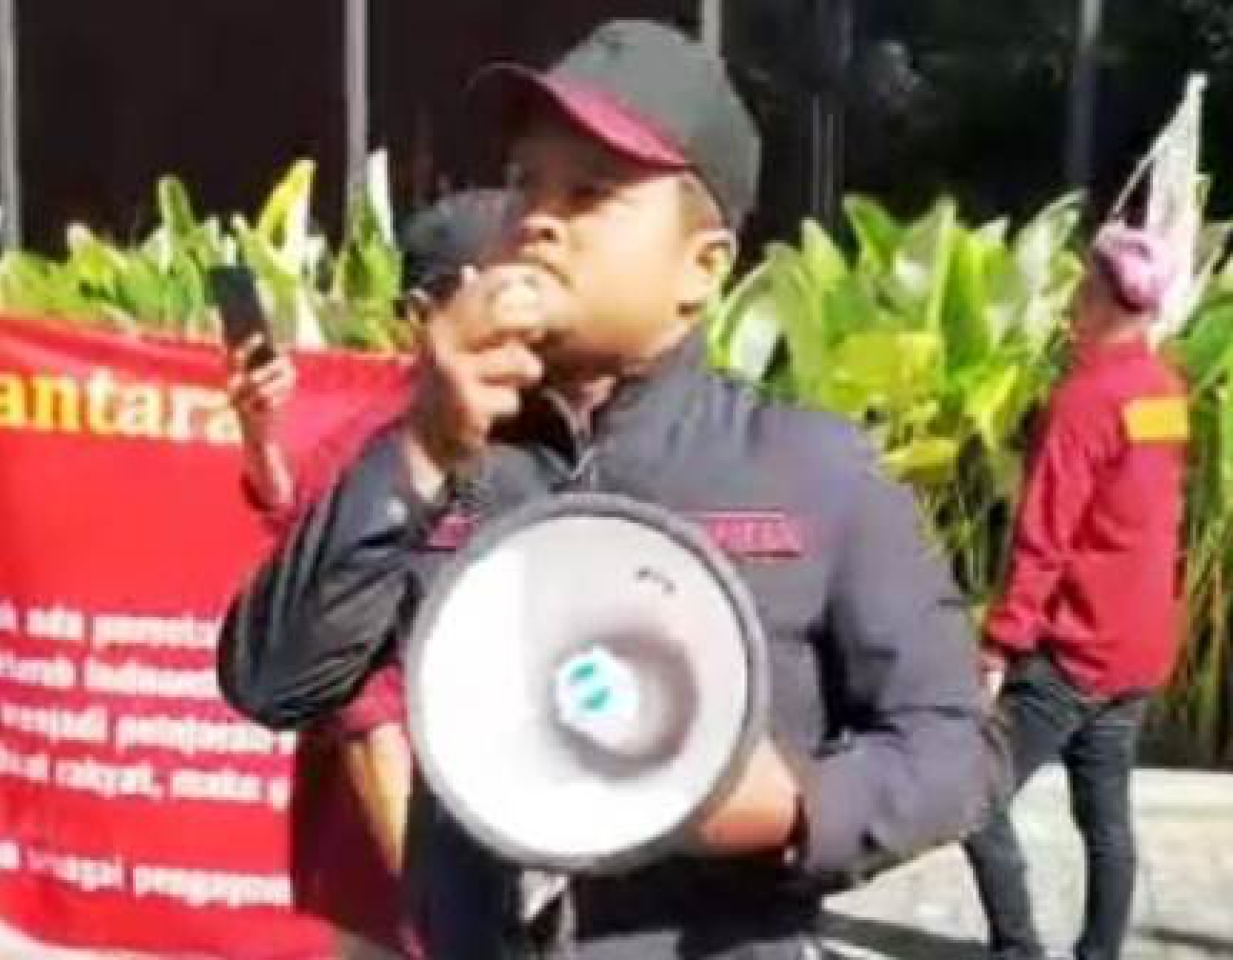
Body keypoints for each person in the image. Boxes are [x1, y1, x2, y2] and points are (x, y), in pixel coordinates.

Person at [218, 20, 989, 959]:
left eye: (589, 193)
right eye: (525, 184)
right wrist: (421, 444)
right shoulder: (439, 451)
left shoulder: (813, 471)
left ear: (702, 268)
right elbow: (273, 680)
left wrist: (795, 805)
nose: (538, 220)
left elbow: (954, 746)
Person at [222, 188, 516, 959]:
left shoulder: (560, 435)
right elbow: (365, 715)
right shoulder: (372, 461)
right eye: (493, 289)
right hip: (406, 891)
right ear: (422, 315)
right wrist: (441, 916)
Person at [965, 223, 1189, 960]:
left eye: (1081, 287)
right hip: (1139, 647)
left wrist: (999, 643)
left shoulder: (1084, 401)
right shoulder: (1164, 390)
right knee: (1106, 820)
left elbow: (1044, 538)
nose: (1072, 300)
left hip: (1075, 651)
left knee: (972, 794)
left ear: (1097, 295)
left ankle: (1017, 949)